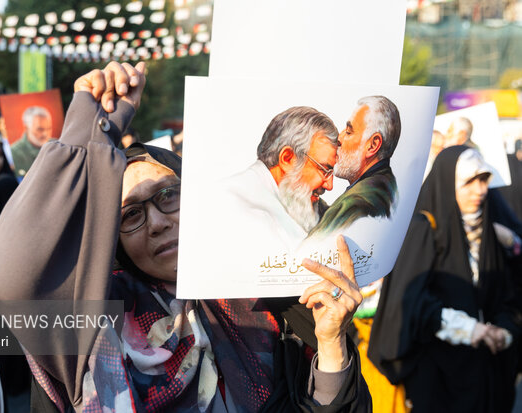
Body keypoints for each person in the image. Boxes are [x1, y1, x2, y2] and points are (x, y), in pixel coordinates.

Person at [0, 62, 371, 412]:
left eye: (169, 196)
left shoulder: (268, 298)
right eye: (130, 215)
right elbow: (11, 276)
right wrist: (88, 132)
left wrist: (332, 345)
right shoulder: (96, 321)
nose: (156, 222)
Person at [368, 146, 520, 413]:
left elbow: (506, 294)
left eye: (483, 179)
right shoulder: (424, 228)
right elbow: (409, 304)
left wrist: (503, 330)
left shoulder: (488, 230)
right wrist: (469, 329)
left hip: (484, 376)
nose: (480, 190)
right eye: (469, 182)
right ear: (449, 182)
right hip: (438, 378)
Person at [219, 107, 338, 253]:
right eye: (324, 170)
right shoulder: (233, 202)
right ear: (288, 159)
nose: (330, 185)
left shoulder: (303, 204)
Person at [310, 96, 401, 236]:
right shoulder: (379, 187)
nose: (339, 139)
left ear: (373, 145)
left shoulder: (359, 203)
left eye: (348, 132)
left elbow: (311, 247)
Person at [10, 106, 53, 178]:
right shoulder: (15, 151)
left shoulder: (58, 144)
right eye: (40, 129)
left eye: (49, 128)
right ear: (26, 128)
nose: (45, 134)